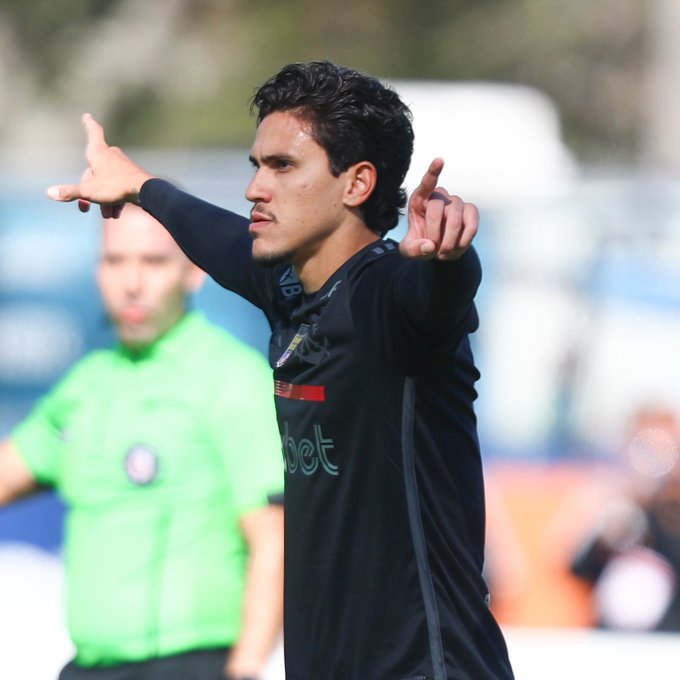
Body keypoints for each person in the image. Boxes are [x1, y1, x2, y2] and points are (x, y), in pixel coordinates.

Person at [47, 60, 515, 679]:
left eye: (283, 166)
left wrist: (451, 261)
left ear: (357, 184)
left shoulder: (391, 301)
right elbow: (213, 232)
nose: (253, 189)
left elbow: (437, 296)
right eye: (256, 166)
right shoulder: (290, 288)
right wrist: (136, 183)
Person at [0, 204, 285, 680]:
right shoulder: (87, 386)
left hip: (191, 663)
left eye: (153, 262)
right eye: (115, 261)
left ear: (193, 272)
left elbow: (271, 541)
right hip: (90, 666)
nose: (132, 281)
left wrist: (246, 668)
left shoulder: (231, 378)